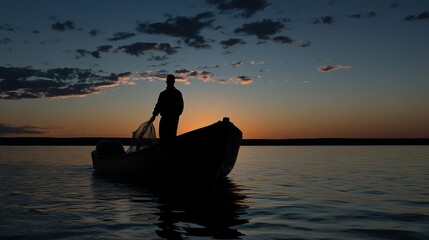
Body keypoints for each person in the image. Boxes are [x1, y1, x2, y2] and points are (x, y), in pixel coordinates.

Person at [149, 74, 184, 140]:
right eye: (169, 81)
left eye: (171, 81)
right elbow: (158, 106)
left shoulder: (177, 93)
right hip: (164, 118)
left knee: (171, 135)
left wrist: (175, 115)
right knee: (162, 135)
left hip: (173, 119)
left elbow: (180, 107)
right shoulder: (163, 94)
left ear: (173, 82)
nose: (170, 82)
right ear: (166, 82)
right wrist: (154, 116)